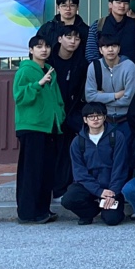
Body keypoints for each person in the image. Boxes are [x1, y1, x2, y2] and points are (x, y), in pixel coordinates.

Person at [13, 35, 64, 224]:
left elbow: (56, 97)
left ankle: (42, 210)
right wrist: (38, 84)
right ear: (31, 50)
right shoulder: (25, 70)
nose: (44, 50)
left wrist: (60, 115)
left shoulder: (50, 70)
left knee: (46, 171)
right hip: (31, 127)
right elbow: (19, 96)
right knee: (31, 172)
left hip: (49, 127)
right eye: (39, 47)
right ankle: (27, 213)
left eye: (47, 46)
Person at [60, 102, 131, 226]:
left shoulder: (117, 137)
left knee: (112, 219)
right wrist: (98, 191)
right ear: (85, 120)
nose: (95, 119)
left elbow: (120, 167)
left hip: (111, 186)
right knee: (68, 199)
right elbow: (79, 172)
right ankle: (89, 212)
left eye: (98, 115)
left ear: (104, 117)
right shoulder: (78, 141)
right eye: (91, 116)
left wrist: (112, 192)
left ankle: (107, 209)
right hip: (88, 186)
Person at [45, 25, 88, 199]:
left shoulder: (81, 62)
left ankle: (63, 188)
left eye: (76, 38)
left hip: (71, 113)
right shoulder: (49, 62)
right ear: (59, 39)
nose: (73, 42)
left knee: (68, 150)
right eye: (69, 37)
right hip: (51, 114)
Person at [83, 0, 135, 75]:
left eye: (125, 3)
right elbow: (91, 52)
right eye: (118, 2)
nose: (122, 6)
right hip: (103, 74)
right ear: (110, 4)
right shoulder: (98, 25)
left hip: (130, 73)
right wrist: (98, 70)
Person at [84, 34, 135, 134]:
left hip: (126, 119)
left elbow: (129, 99)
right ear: (100, 50)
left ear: (119, 49)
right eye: (106, 46)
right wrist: (115, 95)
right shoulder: (94, 66)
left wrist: (101, 98)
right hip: (103, 120)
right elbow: (89, 97)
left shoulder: (129, 66)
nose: (110, 49)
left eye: (114, 46)